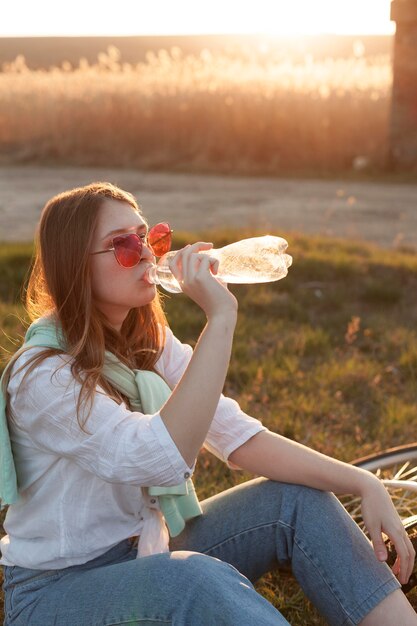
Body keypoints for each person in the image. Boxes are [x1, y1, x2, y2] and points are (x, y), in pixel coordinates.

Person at [0, 181, 416, 626]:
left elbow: (238, 438)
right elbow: (157, 459)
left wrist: (363, 483)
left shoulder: (146, 341)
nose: (145, 254)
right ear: (75, 266)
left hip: (145, 549)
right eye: (122, 246)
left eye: (149, 237)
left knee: (296, 502)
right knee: (194, 580)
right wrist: (220, 318)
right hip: (56, 593)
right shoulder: (43, 375)